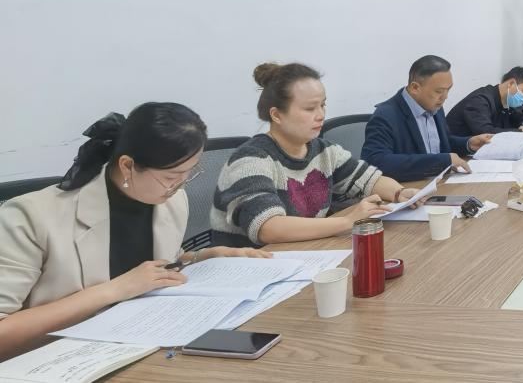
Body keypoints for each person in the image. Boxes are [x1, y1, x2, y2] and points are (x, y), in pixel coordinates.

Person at [0, 103, 268, 360]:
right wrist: (114, 290)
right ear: (127, 165)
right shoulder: (30, 217)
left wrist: (203, 258)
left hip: (140, 346)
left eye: (190, 172)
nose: (181, 185)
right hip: (54, 359)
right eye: (171, 176)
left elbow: (151, 267)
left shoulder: (171, 201)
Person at [210, 63, 424, 248]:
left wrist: (400, 193)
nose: (321, 115)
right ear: (276, 115)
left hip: (304, 254)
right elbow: (269, 228)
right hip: (252, 266)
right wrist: (348, 221)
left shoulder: (323, 150)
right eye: (310, 108)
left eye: (322, 105)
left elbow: (369, 179)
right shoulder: (250, 159)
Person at [362, 55, 491, 182]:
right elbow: (376, 162)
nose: (445, 97)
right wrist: (442, 161)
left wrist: (468, 143)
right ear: (415, 88)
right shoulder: (385, 115)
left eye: (448, 89)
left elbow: (441, 144)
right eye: (439, 91)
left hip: (438, 182)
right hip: (409, 188)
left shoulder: (434, 106)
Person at [446, 67, 523, 136]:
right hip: (458, 155)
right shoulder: (480, 100)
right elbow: (486, 133)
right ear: (511, 83)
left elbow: (521, 117)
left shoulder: (507, 101)